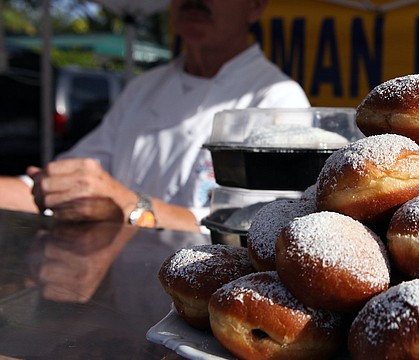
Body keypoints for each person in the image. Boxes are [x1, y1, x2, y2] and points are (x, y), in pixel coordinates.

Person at [0, 0, 310, 233]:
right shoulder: (144, 88)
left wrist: (131, 206)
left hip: (202, 308)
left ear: (255, 6)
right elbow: (65, 184)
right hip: (120, 296)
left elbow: (257, 228)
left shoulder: (278, 99)